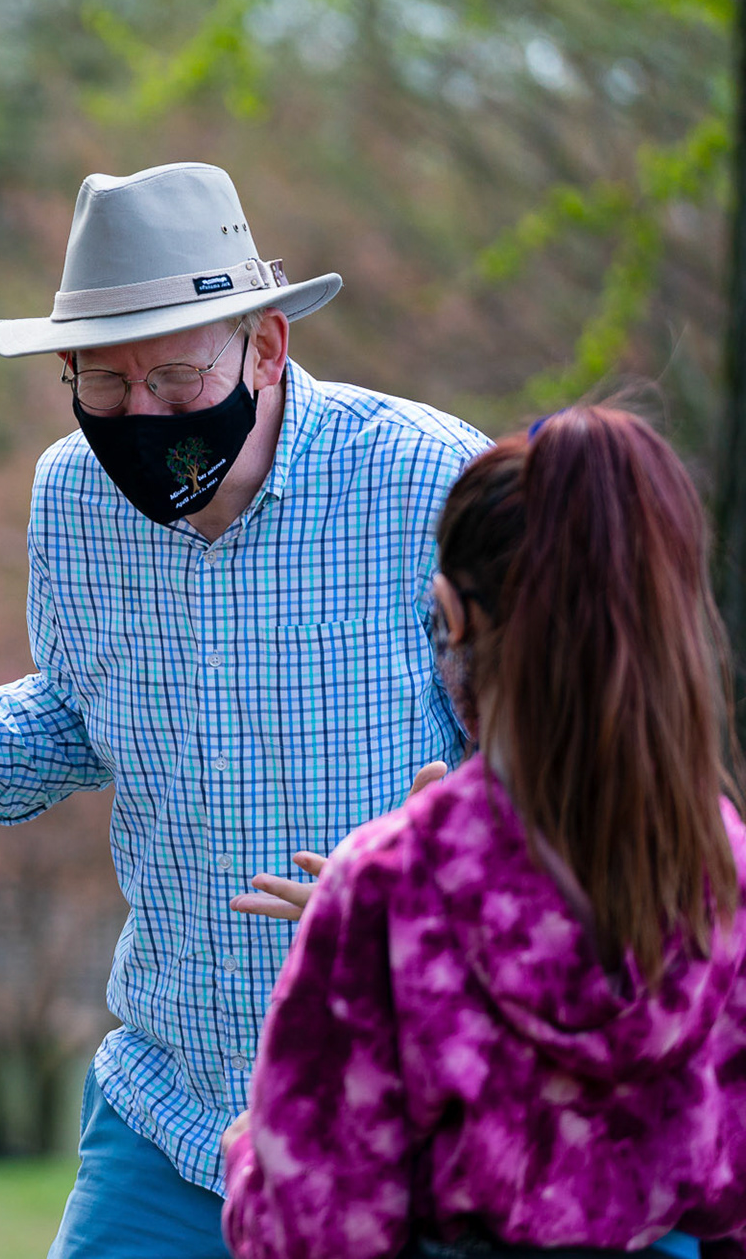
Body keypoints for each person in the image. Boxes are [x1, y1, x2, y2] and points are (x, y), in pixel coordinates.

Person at [0, 161, 492, 1258]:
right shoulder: (71, 496)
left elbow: (543, 768)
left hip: (401, 1114)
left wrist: (423, 888)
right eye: (104, 387)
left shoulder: (431, 482)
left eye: (172, 376)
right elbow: (86, 712)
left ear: (265, 345)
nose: (142, 414)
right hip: (172, 1113)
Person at [221, 406, 746, 1259]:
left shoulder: (388, 886)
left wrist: (253, 1149)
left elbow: (317, 1233)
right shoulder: (720, 867)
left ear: (451, 618)